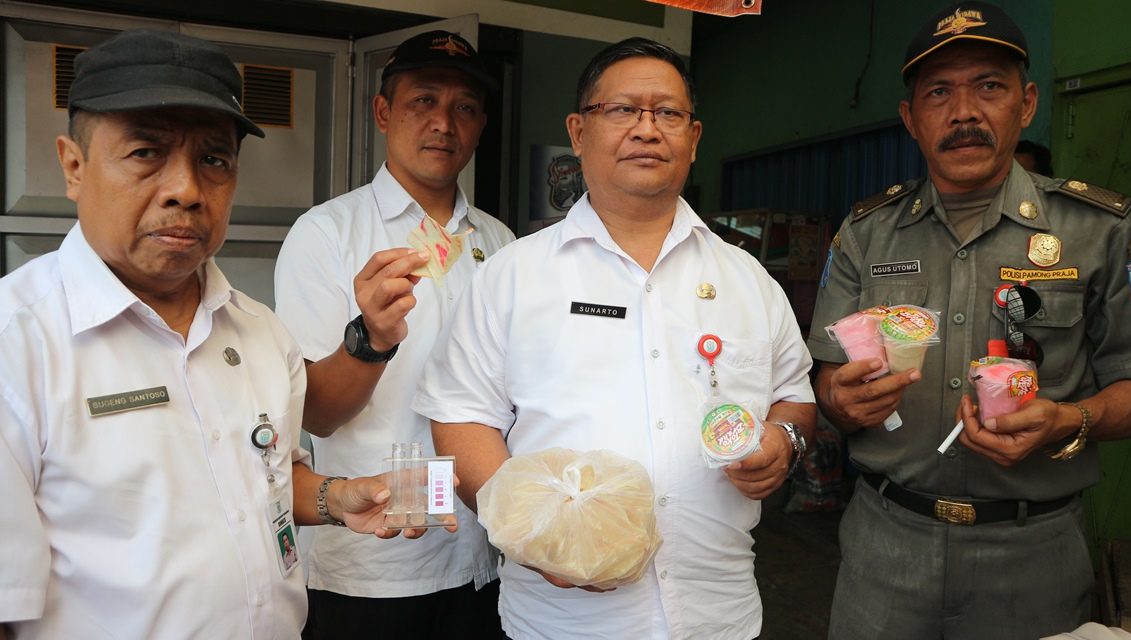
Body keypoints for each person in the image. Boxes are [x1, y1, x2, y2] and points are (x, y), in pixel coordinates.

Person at [0, 30, 437, 640]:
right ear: (74, 167)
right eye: (146, 152)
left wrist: (336, 498)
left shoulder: (259, 332)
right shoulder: (18, 343)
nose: (186, 190)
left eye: (213, 161)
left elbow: (268, 476)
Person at [413, 37, 816, 640]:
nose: (647, 129)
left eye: (668, 113)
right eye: (623, 110)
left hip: (718, 615)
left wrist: (784, 440)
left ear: (694, 138)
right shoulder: (513, 276)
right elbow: (461, 419)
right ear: (578, 133)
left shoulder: (747, 279)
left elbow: (794, 396)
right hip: (562, 622)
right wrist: (534, 533)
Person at [807, 3, 1131, 638]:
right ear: (911, 118)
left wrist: (1068, 420)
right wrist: (839, 400)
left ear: (1027, 104)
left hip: (1035, 557)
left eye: (988, 86)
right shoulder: (864, 232)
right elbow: (827, 380)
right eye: (939, 92)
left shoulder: (1102, 229)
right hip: (885, 550)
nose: (964, 111)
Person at [273, 30, 514, 639]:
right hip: (372, 562)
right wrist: (372, 338)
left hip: (483, 553)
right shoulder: (326, 234)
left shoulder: (501, 243)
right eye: (423, 101)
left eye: (464, 108)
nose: (444, 123)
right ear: (383, 112)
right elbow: (317, 414)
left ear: (481, 127)